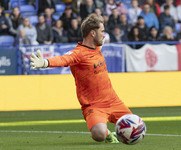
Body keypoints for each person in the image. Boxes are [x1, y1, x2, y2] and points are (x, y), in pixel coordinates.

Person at [30, 13, 132, 143]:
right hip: (93, 106)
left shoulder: (97, 47)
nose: (104, 34)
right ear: (92, 33)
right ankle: (107, 134)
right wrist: (45, 63)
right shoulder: (79, 53)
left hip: (113, 101)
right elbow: (63, 59)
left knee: (135, 125)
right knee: (99, 135)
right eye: (102, 31)